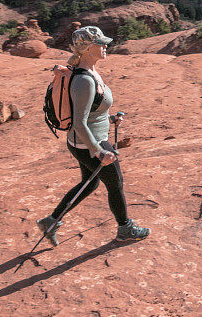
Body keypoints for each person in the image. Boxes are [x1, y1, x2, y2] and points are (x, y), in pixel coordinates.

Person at [37, 26, 150, 246]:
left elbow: (89, 112)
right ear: (88, 49)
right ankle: (125, 229)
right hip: (90, 143)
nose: (106, 46)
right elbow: (79, 122)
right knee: (115, 184)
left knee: (89, 184)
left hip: (83, 140)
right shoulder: (84, 80)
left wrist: (109, 119)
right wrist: (98, 151)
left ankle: (50, 221)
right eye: (101, 43)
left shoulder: (89, 71)